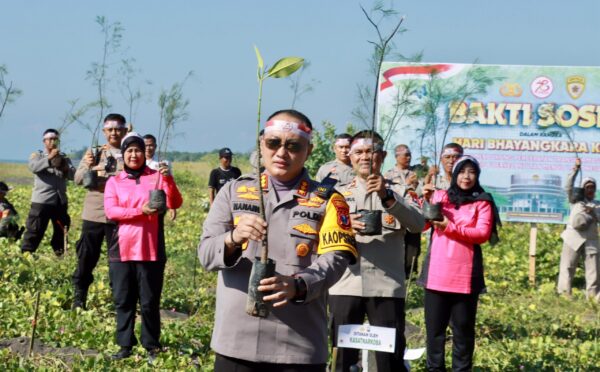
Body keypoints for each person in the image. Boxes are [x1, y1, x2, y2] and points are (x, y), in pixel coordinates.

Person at [199, 109, 358, 371]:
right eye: (273, 143)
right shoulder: (233, 191)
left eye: (293, 145)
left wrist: (299, 284)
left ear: (309, 150)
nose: (281, 153)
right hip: (236, 342)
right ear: (262, 144)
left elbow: (336, 259)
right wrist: (232, 238)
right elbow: (206, 254)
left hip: (297, 346)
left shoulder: (329, 199)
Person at [329, 131, 425, 372]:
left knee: (388, 361)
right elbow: (320, 233)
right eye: (358, 152)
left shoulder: (401, 191)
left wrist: (387, 196)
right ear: (349, 157)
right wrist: (343, 224)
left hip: (386, 287)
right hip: (345, 284)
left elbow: (418, 224)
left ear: (382, 156)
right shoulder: (335, 193)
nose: (365, 158)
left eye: (371, 152)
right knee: (342, 360)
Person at [104, 132, 183, 362]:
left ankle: (151, 346)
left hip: (151, 249)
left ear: (144, 152)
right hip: (121, 250)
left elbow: (174, 202)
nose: (134, 154)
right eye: (129, 150)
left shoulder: (157, 177)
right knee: (123, 300)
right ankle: (124, 346)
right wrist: (141, 211)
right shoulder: (114, 182)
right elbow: (112, 212)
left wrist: (169, 179)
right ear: (123, 155)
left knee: (149, 301)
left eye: (138, 150)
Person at [418, 155, 500, 371]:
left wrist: (448, 226)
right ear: (454, 174)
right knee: (434, 334)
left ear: (477, 175)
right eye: (462, 171)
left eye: (471, 172)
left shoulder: (482, 201)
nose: (466, 176)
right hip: (436, 276)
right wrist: (425, 201)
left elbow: (481, 233)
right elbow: (424, 225)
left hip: (464, 278)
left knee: (463, 334)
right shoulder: (441, 196)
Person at [72, 113, 127, 309]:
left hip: (119, 215)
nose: (114, 132)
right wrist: (90, 166)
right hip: (94, 213)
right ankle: (79, 298)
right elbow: (78, 179)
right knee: (86, 257)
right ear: (104, 131)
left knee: (118, 262)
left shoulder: (130, 152)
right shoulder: (94, 152)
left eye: (118, 129)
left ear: (125, 130)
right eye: (110, 129)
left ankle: (119, 301)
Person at [21, 129, 75, 256]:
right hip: (42, 201)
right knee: (35, 229)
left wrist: (65, 167)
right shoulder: (37, 156)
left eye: (55, 139)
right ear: (44, 141)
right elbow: (33, 167)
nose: (52, 141)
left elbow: (74, 176)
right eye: (49, 139)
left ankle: (60, 254)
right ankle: (26, 255)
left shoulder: (64, 157)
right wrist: (49, 159)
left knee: (62, 229)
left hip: (59, 200)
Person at [557, 158, 600, 301]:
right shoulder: (575, 200)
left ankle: (593, 299)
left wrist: (593, 212)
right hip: (572, 238)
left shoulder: (598, 205)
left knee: (593, 271)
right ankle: (564, 296)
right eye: (587, 187)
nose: (590, 190)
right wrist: (575, 169)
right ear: (583, 189)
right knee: (567, 267)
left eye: (592, 187)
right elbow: (568, 186)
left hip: (591, 241)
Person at [384, 144, 423, 278]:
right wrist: (406, 184)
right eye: (405, 155)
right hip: (396, 218)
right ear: (396, 157)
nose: (408, 157)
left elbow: (422, 193)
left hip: (413, 215)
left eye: (410, 155)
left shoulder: (417, 173)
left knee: (413, 254)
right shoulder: (388, 174)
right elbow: (388, 195)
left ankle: (410, 281)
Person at [143, 133, 177, 220]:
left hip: (158, 201)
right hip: (141, 201)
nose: (148, 148)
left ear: (155, 146)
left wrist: (172, 205)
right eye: (145, 145)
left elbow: (169, 185)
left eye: (151, 145)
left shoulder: (163, 163)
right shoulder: (137, 162)